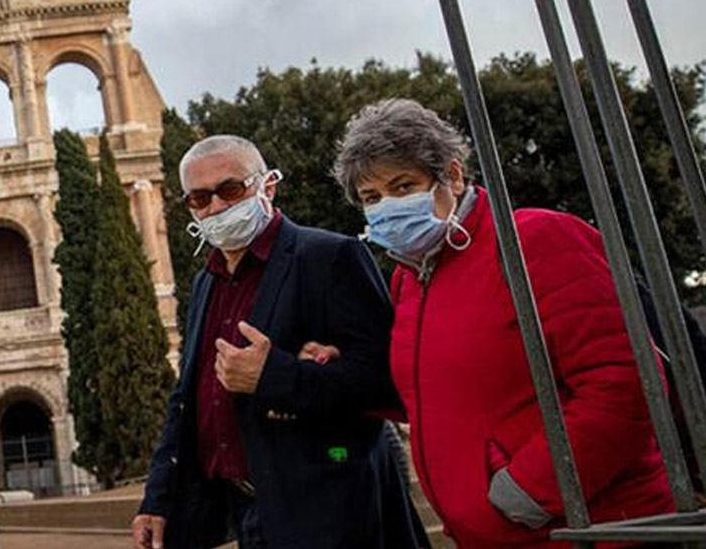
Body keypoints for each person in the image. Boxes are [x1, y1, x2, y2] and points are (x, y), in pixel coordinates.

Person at [329, 98, 674, 547]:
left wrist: (527, 491)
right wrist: (331, 369)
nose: (386, 206)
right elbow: (436, 393)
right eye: (371, 198)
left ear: (452, 176)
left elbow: (627, 383)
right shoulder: (408, 278)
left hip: (590, 529)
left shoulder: (535, 240)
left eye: (402, 186)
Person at [133, 135, 428, 549]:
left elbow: (387, 380)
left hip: (331, 512)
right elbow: (187, 399)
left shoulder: (329, 257)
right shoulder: (205, 282)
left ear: (267, 186)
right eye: (199, 199)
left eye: (230, 190)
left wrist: (277, 375)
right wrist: (159, 498)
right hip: (246, 509)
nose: (216, 207)